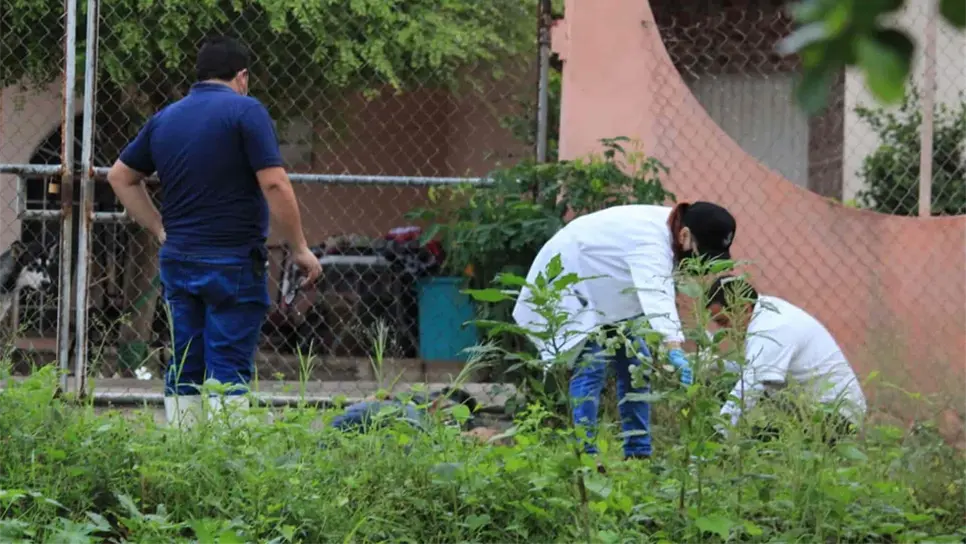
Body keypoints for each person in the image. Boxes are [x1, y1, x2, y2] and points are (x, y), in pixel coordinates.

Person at [106, 36, 322, 428]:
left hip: (179, 260)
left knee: (184, 360)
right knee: (229, 366)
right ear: (242, 76)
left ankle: (183, 451)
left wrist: (158, 226)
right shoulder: (246, 111)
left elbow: (120, 176)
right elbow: (275, 184)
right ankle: (226, 462)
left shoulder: (166, 117)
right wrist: (300, 248)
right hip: (233, 261)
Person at [511, 202, 737, 460]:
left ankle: (638, 454)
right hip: (569, 283)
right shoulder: (651, 241)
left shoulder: (671, 231)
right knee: (592, 364)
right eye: (703, 254)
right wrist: (674, 346)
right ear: (685, 235)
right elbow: (656, 293)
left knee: (636, 364)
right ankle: (586, 455)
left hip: (606, 291)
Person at [705, 275, 867, 443]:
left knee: (761, 451)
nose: (724, 330)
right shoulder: (766, 311)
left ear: (744, 308)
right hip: (815, 411)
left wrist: (716, 438)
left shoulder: (770, 329)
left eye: (724, 322)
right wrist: (712, 365)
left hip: (834, 417)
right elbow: (751, 372)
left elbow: (749, 388)